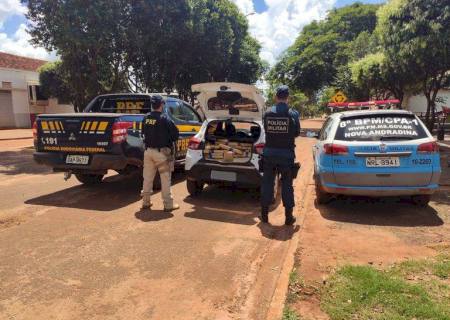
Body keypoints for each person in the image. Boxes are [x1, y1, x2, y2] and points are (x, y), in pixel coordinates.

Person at [260, 85, 300, 225]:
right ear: (287, 98)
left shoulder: (267, 113)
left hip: (269, 154)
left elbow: (265, 129)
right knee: (287, 185)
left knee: (267, 184)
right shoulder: (293, 114)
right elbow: (296, 133)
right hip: (286, 156)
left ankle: (264, 216)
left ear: (276, 97)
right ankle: (289, 218)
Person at [141, 95, 180, 211]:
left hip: (148, 152)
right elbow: (175, 135)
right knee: (165, 179)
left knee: (147, 178)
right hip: (162, 154)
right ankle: (168, 205)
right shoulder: (165, 119)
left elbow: (143, 132)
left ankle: (146, 202)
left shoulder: (146, 118)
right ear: (161, 105)